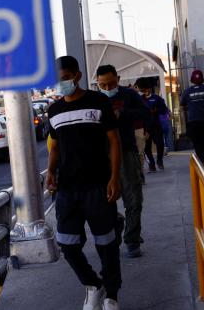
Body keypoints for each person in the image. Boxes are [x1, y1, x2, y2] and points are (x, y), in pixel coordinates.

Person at [47, 56, 122, 310]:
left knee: (106, 244)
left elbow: (114, 141)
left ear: (77, 76)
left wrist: (114, 177)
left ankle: (111, 295)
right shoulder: (53, 110)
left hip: (98, 186)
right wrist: (49, 172)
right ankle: (93, 284)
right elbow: (54, 147)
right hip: (67, 189)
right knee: (67, 245)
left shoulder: (98, 101)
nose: (61, 83)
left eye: (66, 78)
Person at [97, 65, 150, 258]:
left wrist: (124, 114)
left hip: (126, 151)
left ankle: (132, 239)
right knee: (102, 201)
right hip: (102, 156)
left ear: (118, 79)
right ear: (97, 83)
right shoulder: (94, 99)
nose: (108, 87)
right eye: (103, 84)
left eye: (111, 83)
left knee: (133, 199)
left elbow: (145, 113)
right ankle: (117, 224)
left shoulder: (129, 95)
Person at [136, 78, 168, 171]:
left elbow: (163, 110)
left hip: (156, 126)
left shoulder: (157, 98)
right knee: (146, 147)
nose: (144, 92)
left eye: (145, 89)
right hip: (144, 127)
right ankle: (152, 164)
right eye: (141, 90)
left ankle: (159, 160)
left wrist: (155, 110)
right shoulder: (139, 100)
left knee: (160, 144)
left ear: (149, 89)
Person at [181, 69, 204, 162]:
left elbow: (182, 105)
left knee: (197, 143)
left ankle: (202, 163)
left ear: (192, 80)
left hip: (193, 121)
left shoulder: (187, 91)